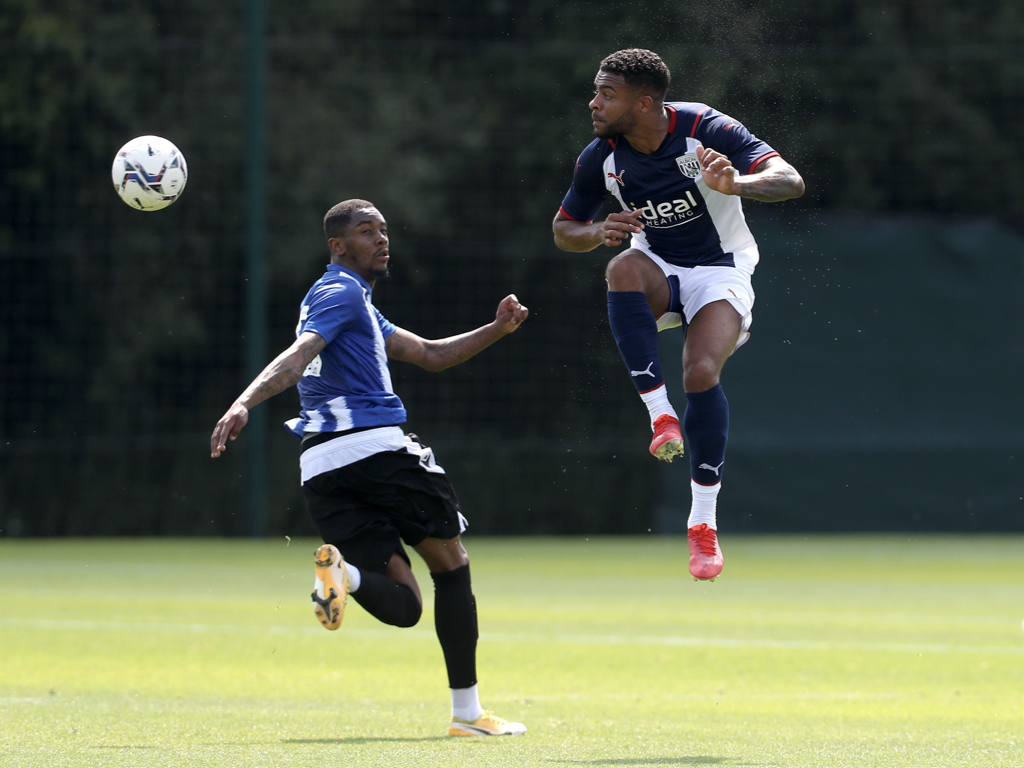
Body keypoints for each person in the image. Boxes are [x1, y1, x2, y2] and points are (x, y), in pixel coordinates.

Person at [211, 199, 528, 737]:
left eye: (383, 230)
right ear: (338, 246)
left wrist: (495, 329)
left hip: (322, 468)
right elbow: (297, 354)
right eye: (366, 231)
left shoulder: (358, 304)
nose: (381, 239)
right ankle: (468, 715)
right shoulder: (338, 292)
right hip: (376, 451)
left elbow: (429, 354)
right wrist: (245, 401)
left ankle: (346, 575)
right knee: (452, 568)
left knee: (405, 606)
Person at [552, 49, 804, 581]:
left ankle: (703, 525)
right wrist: (598, 231)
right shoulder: (600, 155)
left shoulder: (705, 127)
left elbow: (789, 180)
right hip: (658, 264)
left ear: (644, 102)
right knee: (622, 267)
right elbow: (563, 229)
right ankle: (659, 415)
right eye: (596, 92)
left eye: (607, 94)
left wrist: (740, 184)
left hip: (720, 268)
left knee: (701, 372)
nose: (593, 102)